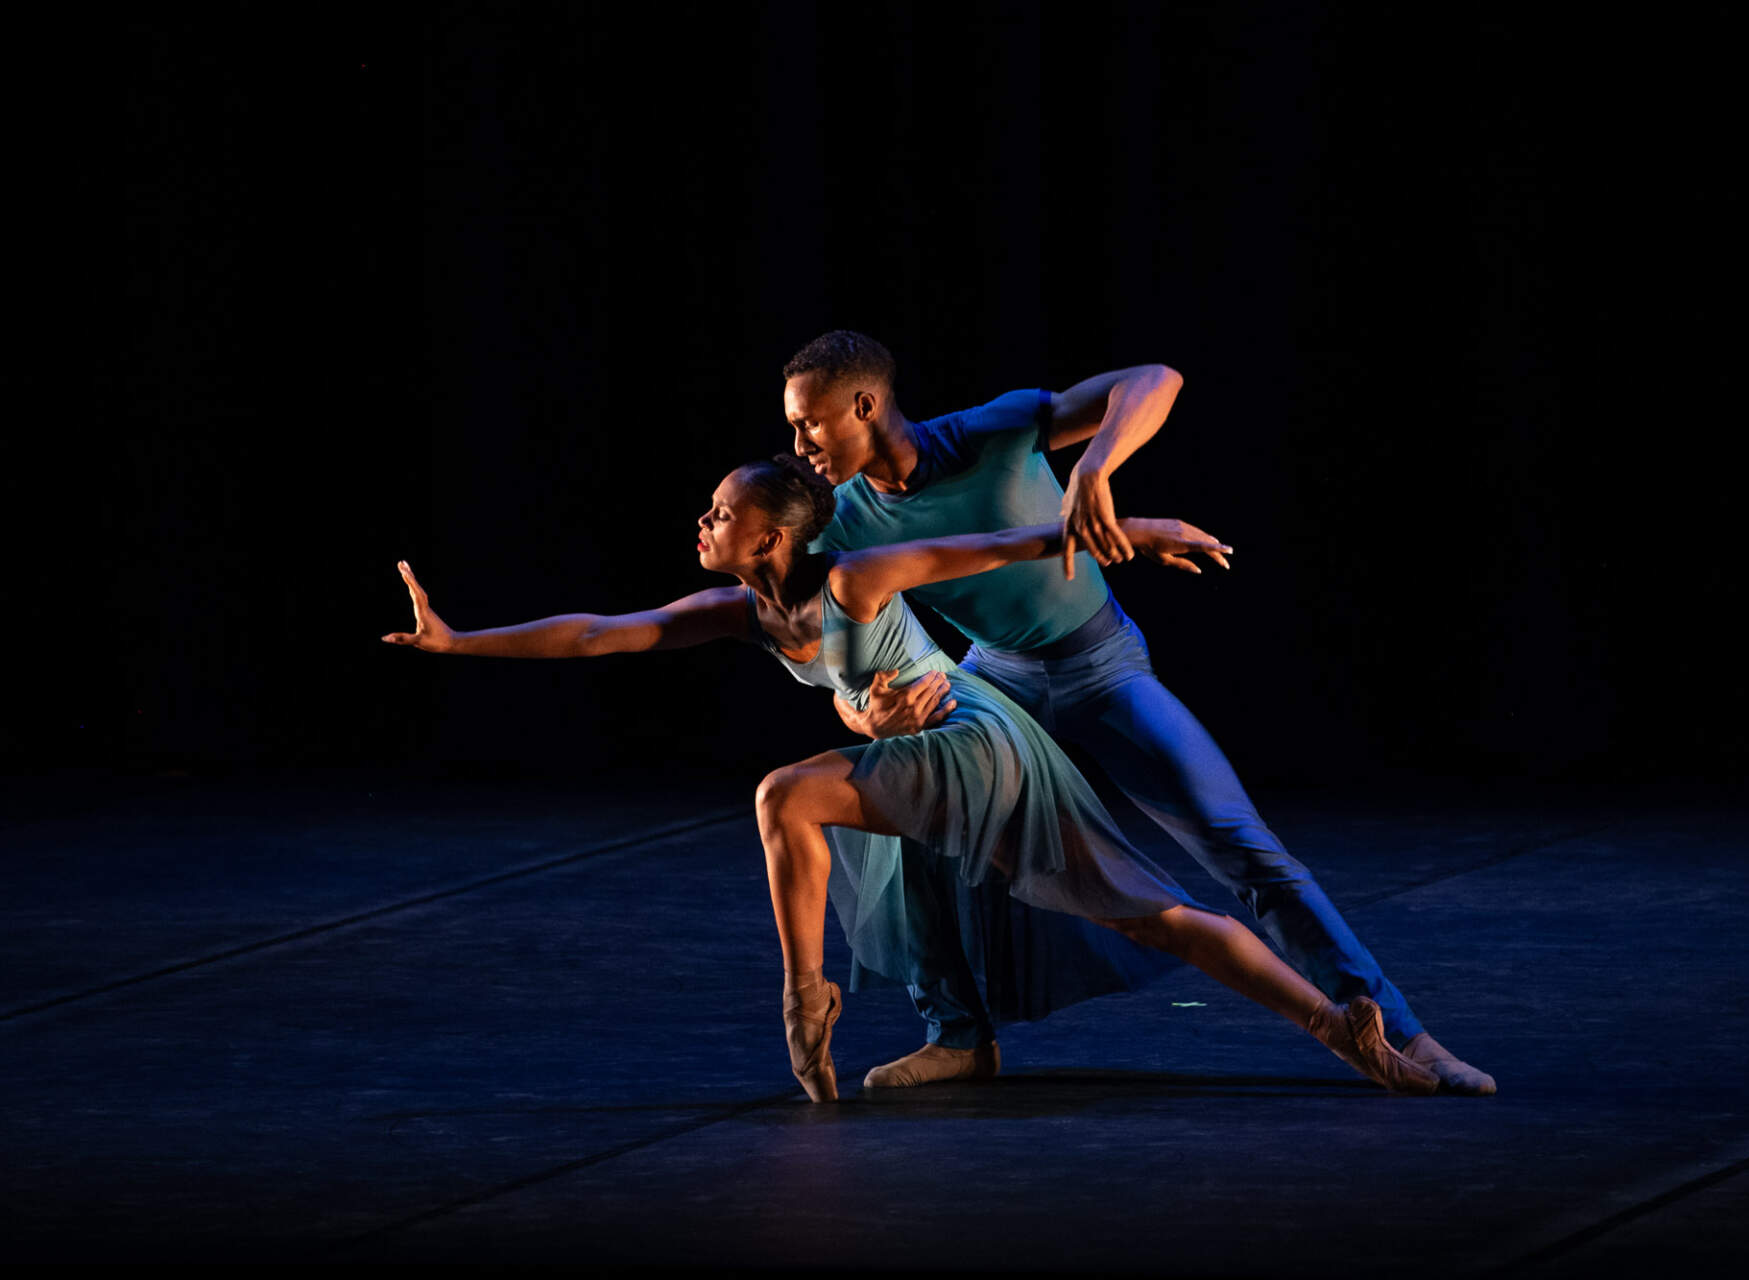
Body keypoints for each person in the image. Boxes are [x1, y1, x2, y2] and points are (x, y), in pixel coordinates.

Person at [381, 456, 1440, 1102]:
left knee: (789, 795)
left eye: (719, 510)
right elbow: (604, 635)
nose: (701, 522)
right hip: (933, 753)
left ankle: (807, 999)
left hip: (974, 737)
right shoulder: (749, 611)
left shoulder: (851, 572)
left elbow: (996, 543)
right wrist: (458, 643)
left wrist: (1137, 529)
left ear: (773, 532)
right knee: (1137, 908)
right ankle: (1333, 1028)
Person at [784, 331, 1496, 1096]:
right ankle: (958, 1034)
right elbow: (832, 653)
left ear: (865, 404)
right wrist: (864, 717)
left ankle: (1398, 1033)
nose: (798, 445)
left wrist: (1095, 463)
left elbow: (1155, 378)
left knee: (1240, 842)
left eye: (810, 422)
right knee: (911, 813)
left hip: (1101, 671)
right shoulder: (842, 521)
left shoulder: (989, 432)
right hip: (994, 685)